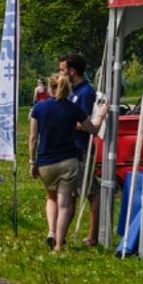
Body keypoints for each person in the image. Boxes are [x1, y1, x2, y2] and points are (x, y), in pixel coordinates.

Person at [29, 72, 99, 251]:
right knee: (64, 204)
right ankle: (59, 245)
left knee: (51, 198)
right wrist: (102, 114)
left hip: (45, 162)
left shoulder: (39, 107)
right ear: (68, 90)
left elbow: (33, 138)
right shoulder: (74, 109)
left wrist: (32, 161)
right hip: (68, 161)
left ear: (50, 88)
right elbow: (92, 129)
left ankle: (51, 232)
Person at [59, 53, 99, 246]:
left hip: (82, 148)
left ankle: (92, 237)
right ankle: (62, 236)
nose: (60, 74)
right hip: (69, 149)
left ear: (72, 71)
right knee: (70, 194)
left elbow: (86, 123)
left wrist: (65, 120)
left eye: (62, 70)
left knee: (91, 192)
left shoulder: (86, 92)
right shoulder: (71, 92)